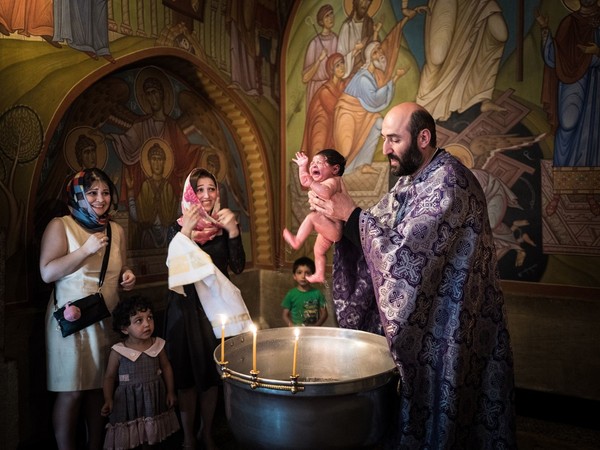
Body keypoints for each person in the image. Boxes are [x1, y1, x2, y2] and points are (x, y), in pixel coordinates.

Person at [309, 102, 516, 448]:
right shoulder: (413, 181)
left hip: (451, 326)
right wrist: (340, 221)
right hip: (431, 321)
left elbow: (404, 258)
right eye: (384, 139)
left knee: (450, 420)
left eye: (394, 139)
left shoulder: (448, 181)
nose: (385, 149)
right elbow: (377, 231)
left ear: (423, 138)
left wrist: (353, 215)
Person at [40, 168, 136, 450]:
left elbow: (121, 266)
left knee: (99, 389)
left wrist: (127, 275)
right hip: (71, 322)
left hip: (106, 317)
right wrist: (84, 250)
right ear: (78, 195)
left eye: (105, 192)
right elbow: (47, 272)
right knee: (71, 392)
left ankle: (97, 445)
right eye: (92, 192)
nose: (100, 199)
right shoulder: (61, 225)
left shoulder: (116, 230)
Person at [162, 168, 245, 450]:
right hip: (185, 311)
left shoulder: (223, 226)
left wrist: (233, 231)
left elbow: (237, 267)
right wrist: (186, 231)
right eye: (200, 189)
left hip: (216, 312)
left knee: (212, 376)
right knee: (186, 378)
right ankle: (188, 436)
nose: (207, 195)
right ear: (190, 193)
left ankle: (207, 432)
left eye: (212, 189)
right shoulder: (175, 228)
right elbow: (175, 268)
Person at [537, 0, 600, 216]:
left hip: (595, 86)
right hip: (571, 86)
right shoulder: (569, 22)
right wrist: (545, 29)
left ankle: (591, 194)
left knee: (592, 136)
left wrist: (597, 52)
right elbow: (553, 57)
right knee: (567, 126)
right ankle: (558, 193)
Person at [101, 295, 180, 449]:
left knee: (151, 436)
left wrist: (170, 392)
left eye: (150, 317)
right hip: (128, 401)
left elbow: (166, 367)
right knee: (132, 437)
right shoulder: (118, 351)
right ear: (124, 328)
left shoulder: (157, 345)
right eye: (139, 320)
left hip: (153, 398)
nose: (147, 324)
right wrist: (108, 399)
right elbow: (109, 377)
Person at [415, 0, 508, 121]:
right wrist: (404, 7)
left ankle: (480, 97)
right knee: (438, 57)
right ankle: (431, 103)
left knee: (499, 36)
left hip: (479, 3)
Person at [283, 149, 345, 283]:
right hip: (328, 227)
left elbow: (326, 193)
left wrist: (312, 183)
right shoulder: (321, 182)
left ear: (335, 169)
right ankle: (320, 274)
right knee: (318, 251)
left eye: (319, 163)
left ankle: (297, 241)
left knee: (312, 217)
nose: (314, 165)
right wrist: (302, 166)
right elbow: (305, 181)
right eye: (312, 163)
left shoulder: (334, 181)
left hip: (335, 227)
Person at [300, 52, 348, 160]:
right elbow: (334, 109)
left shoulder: (344, 85)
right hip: (322, 120)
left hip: (335, 121)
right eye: (337, 65)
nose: (342, 67)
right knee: (320, 137)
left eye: (342, 63)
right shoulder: (325, 90)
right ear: (331, 70)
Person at [302, 4, 338, 110]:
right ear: (321, 22)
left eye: (332, 14)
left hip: (332, 88)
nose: (331, 18)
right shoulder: (314, 43)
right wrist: (319, 60)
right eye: (327, 16)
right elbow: (305, 78)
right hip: (316, 89)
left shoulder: (336, 40)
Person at [281, 256, 328, 327]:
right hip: (297, 331)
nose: (303, 276)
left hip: (313, 331)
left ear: (313, 276)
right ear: (294, 276)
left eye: (307, 273)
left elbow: (324, 314)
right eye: (299, 272)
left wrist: (316, 326)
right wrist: (292, 327)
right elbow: (285, 315)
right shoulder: (291, 294)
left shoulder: (317, 293)